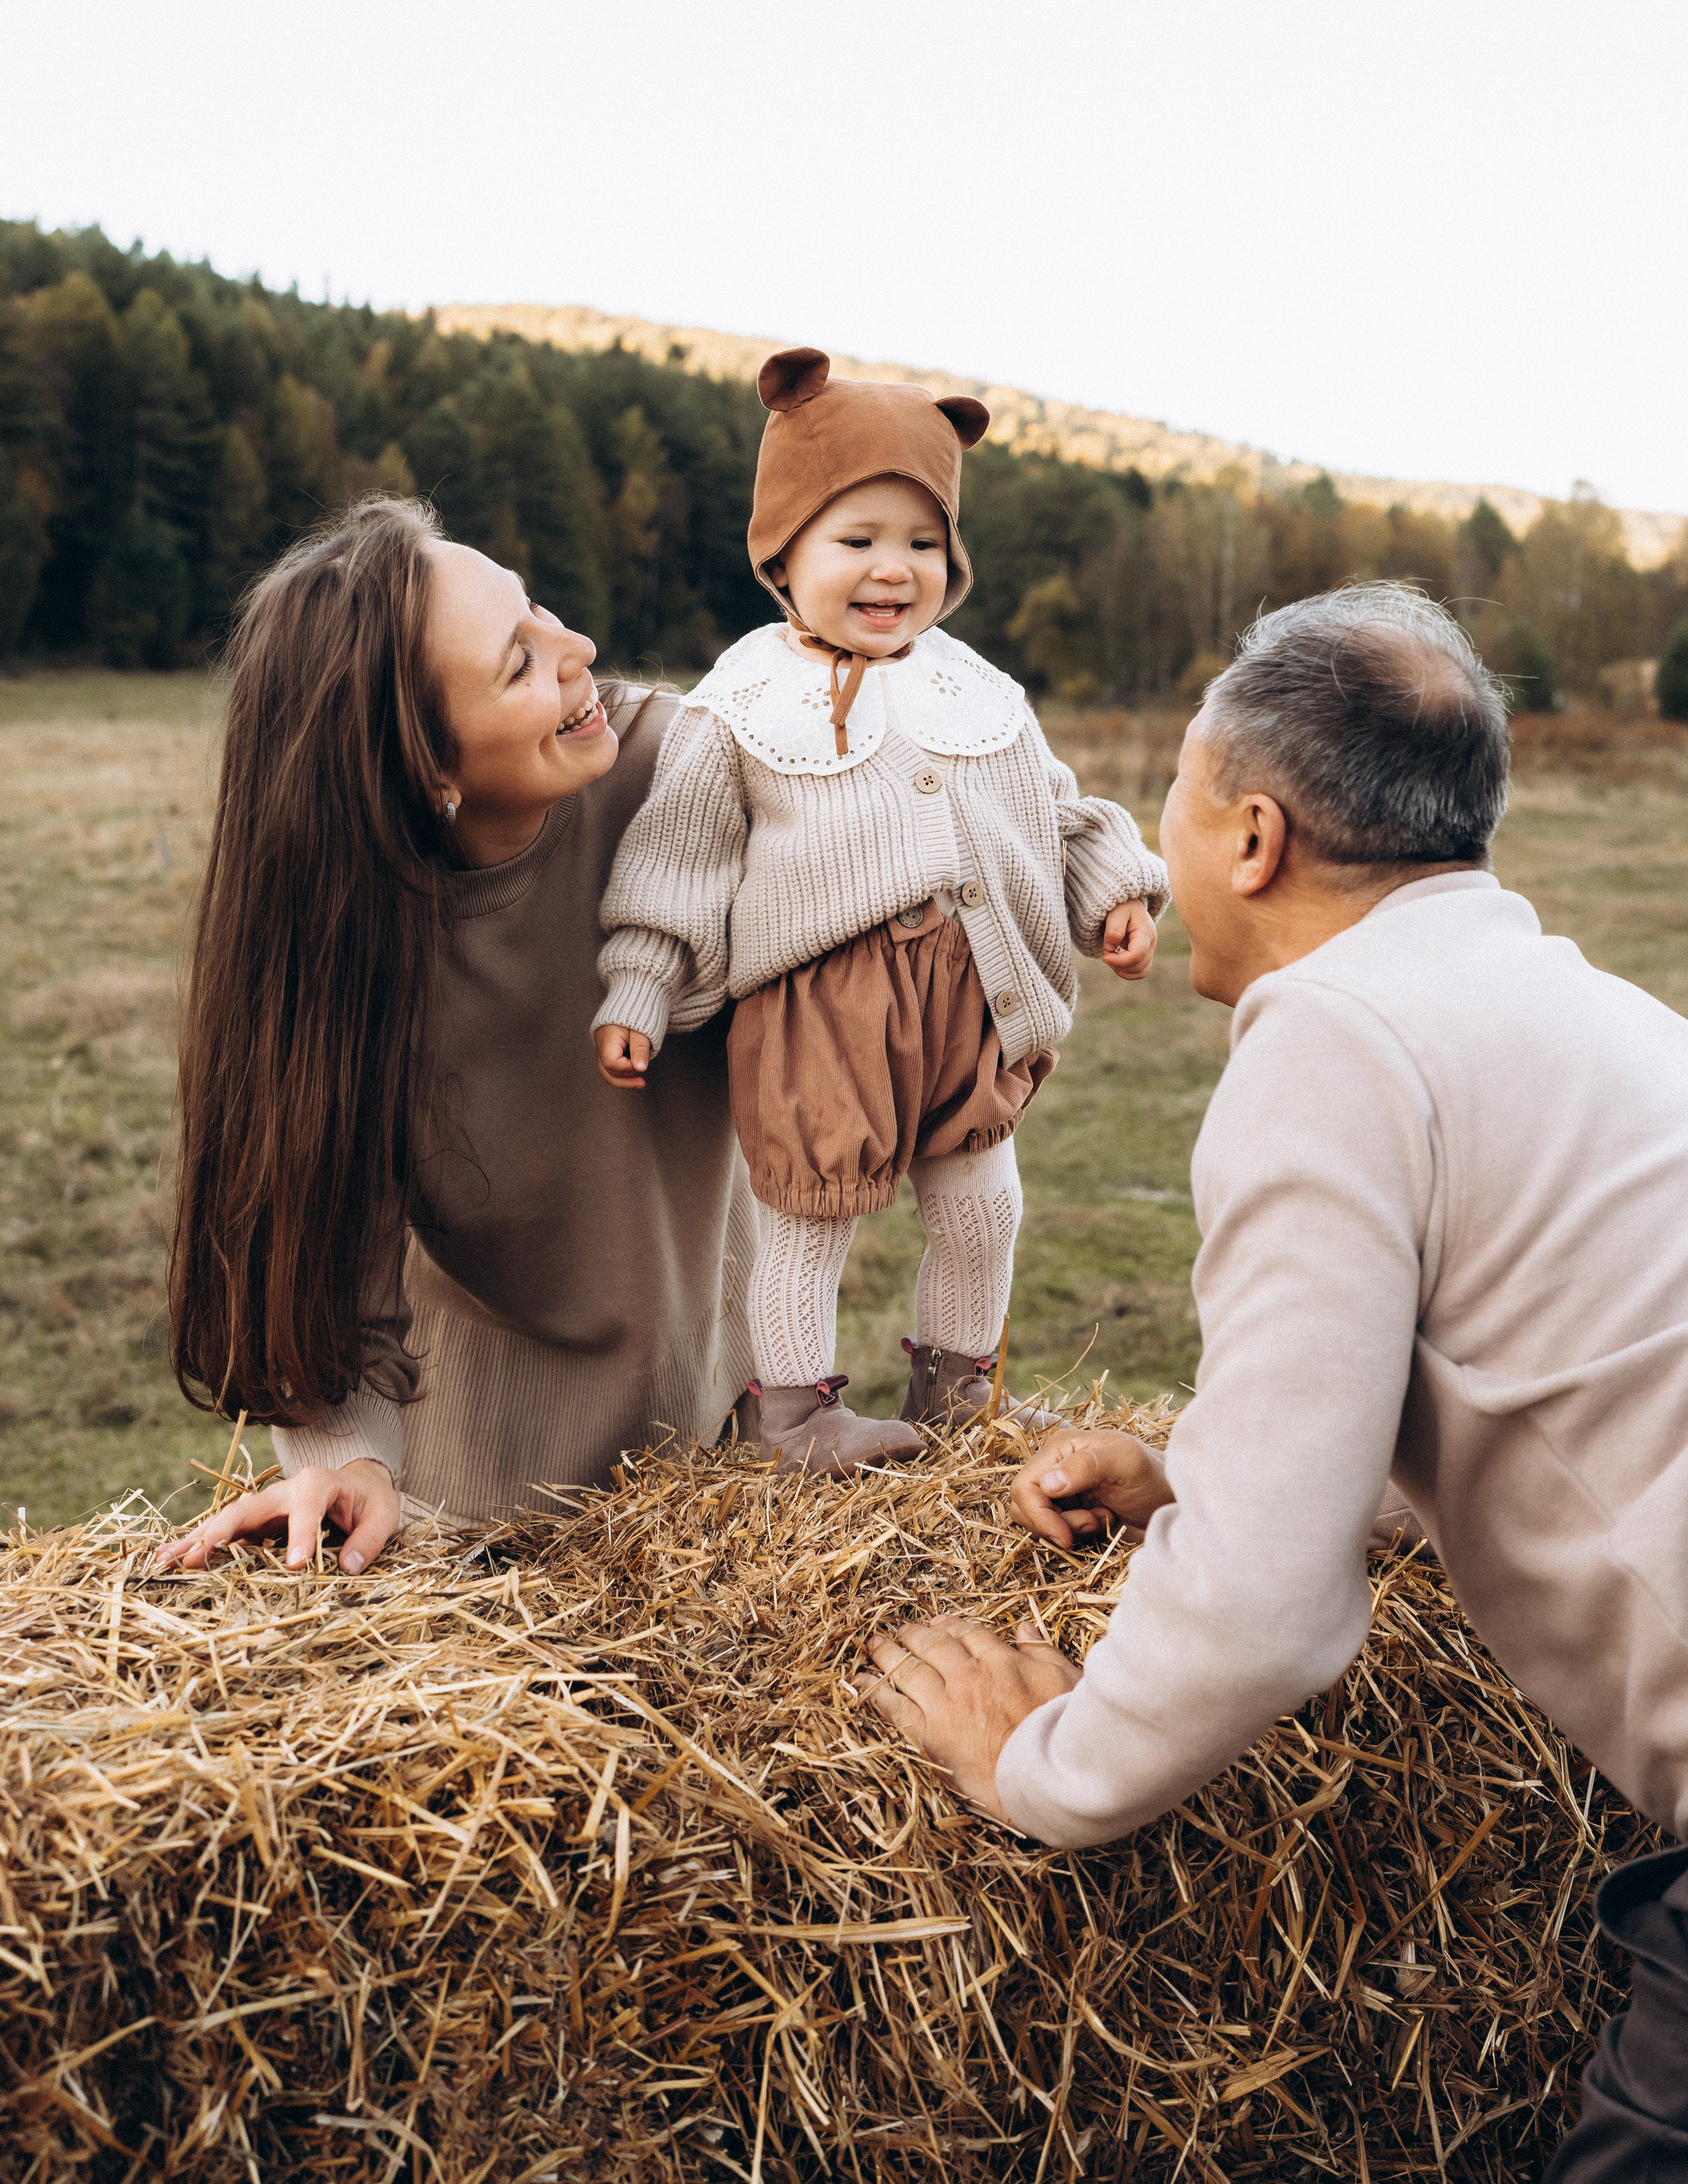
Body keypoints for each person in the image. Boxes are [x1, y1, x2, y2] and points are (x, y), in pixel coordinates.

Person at [859, 583, 1688, 2180]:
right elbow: (1574, 1373)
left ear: (1249, 838)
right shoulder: (1595, 1014)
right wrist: (1204, 1466)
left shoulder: (1333, 1038)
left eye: (1165, 800)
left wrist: (1041, 1768)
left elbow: (1265, 1612)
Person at [591, 348, 1168, 1477]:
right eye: (855, 542)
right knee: (813, 1221)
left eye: (921, 544)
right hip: (824, 1014)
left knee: (983, 1210)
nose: (891, 571)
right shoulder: (744, 704)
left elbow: (1048, 812)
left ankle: (961, 1398)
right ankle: (793, 1417)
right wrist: (641, 987)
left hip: (972, 1002)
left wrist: (1113, 894)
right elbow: (680, 859)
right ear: (783, 554)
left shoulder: (977, 689)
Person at [158, 497, 754, 1577]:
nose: (577, 653)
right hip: (471, 1513)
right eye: (519, 664)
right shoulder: (345, 948)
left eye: (541, 612)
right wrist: (345, 1457)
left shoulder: (682, 771)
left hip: (728, 1461)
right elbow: (325, 1245)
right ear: (430, 772)